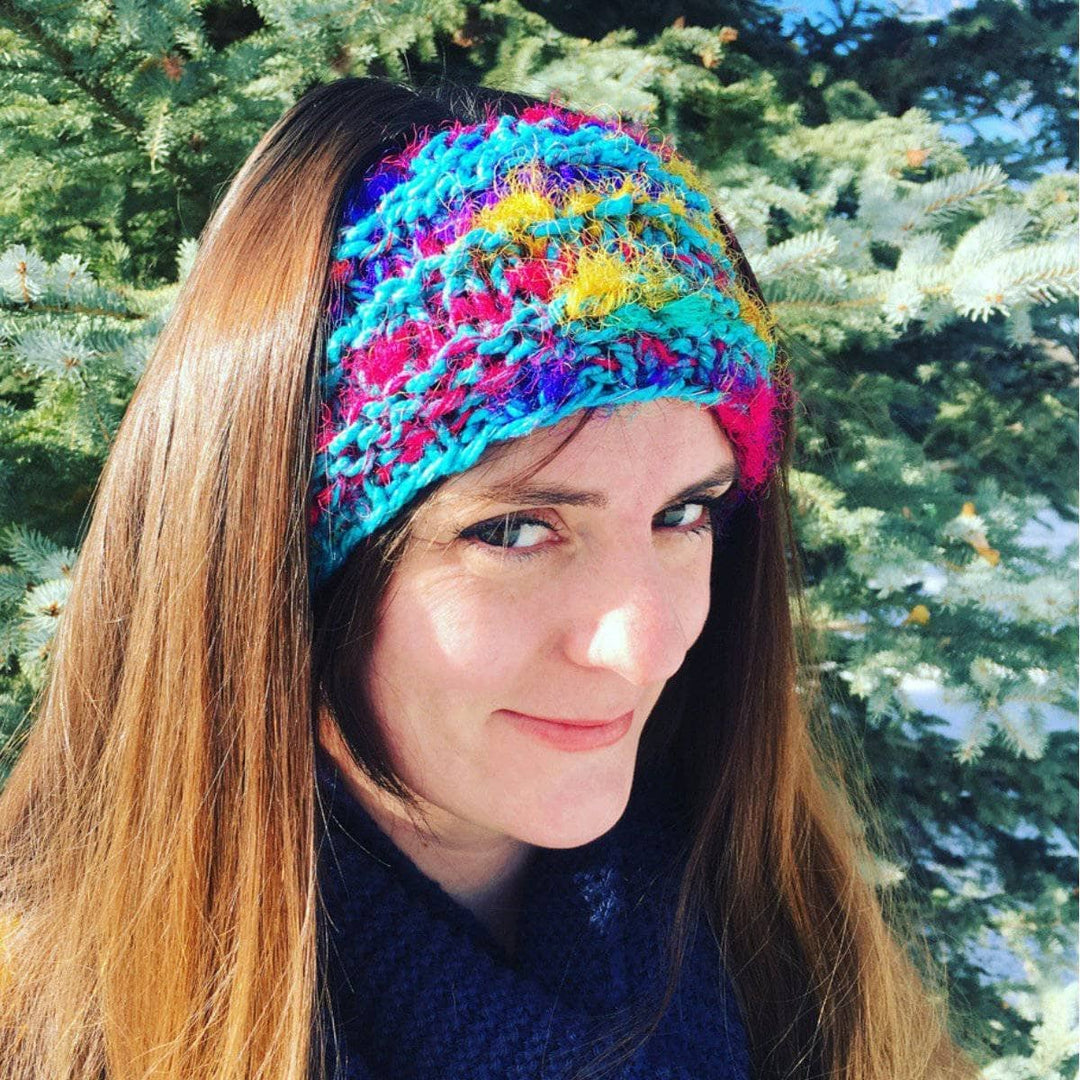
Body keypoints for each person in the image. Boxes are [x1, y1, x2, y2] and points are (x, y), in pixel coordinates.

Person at [0, 76, 979, 1080]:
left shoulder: (804, 953)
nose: (643, 644)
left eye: (683, 514)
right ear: (281, 568)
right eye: (517, 529)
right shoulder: (49, 1026)